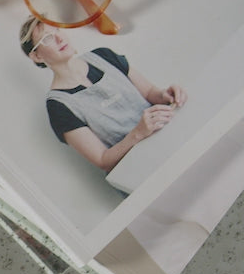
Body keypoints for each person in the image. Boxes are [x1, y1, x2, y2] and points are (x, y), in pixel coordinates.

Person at [18, 15, 188, 172]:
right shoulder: (58, 106)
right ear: (37, 56)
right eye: (47, 38)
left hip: (169, 142)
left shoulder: (104, 56)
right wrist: (138, 133)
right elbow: (102, 160)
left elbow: (150, 92)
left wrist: (165, 95)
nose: (59, 38)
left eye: (57, 29)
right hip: (139, 170)